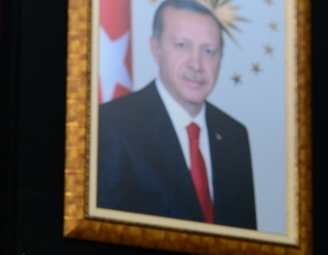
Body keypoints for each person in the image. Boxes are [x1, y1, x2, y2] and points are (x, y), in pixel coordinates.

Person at [98, 0, 256, 229]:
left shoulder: (234, 135)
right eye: (182, 45)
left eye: (208, 51)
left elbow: (245, 238)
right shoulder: (113, 123)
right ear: (156, 48)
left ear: (220, 58)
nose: (196, 64)